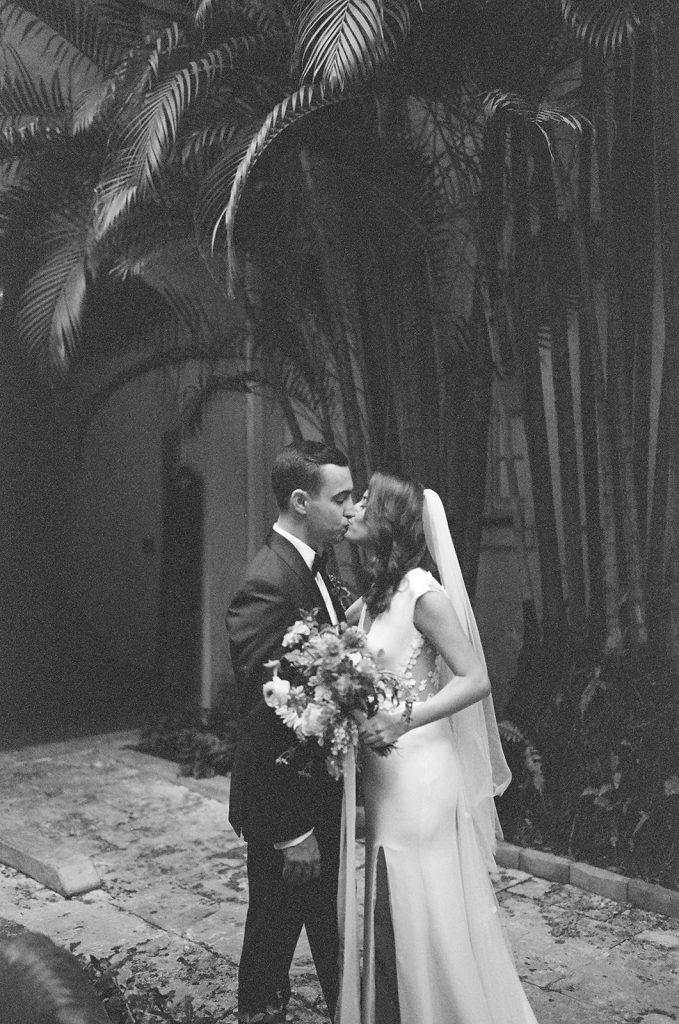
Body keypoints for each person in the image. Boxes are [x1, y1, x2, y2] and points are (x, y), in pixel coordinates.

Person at [339, 472, 539, 1024]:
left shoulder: (422, 592)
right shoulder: (378, 593)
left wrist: (403, 719)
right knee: (393, 888)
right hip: (387, 774)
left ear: (390, 521)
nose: (353, 507)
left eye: (365, 500)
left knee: (417, 896)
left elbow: (476, 678)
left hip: (420, 770)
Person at [226, 440, 355, 1024]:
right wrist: (290, 832)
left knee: (328, 938)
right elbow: (263, 712)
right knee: (272, 947)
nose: (351, 509)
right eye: (342, 497)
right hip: (288, 813)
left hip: (318, 800)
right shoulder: (269, 581)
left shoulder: (316, 565)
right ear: (302, 501)